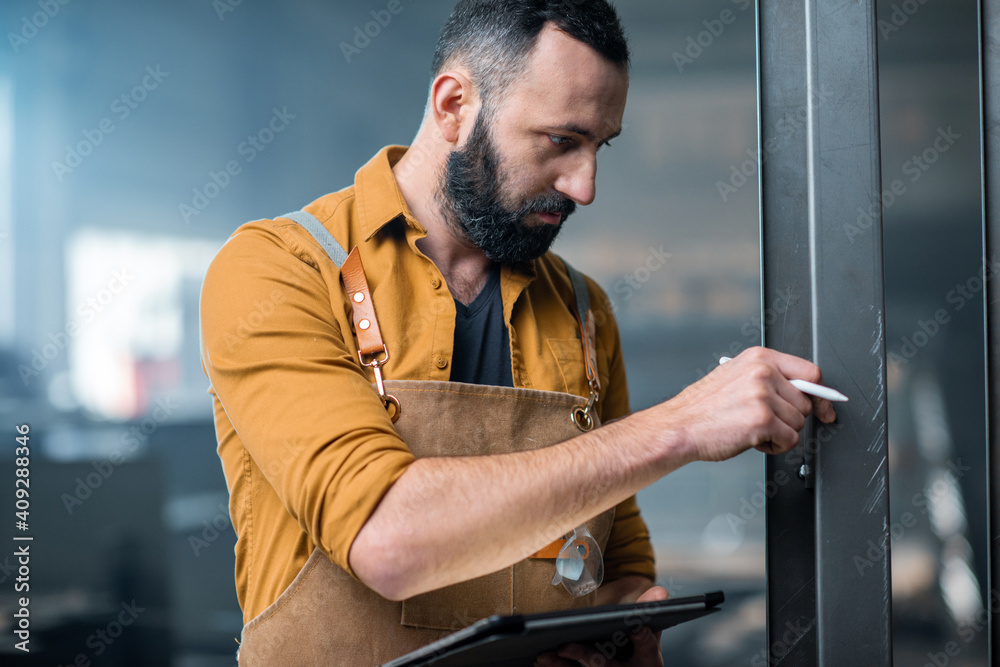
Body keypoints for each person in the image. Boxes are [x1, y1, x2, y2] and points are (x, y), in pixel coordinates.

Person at [199, 1, 837, 665]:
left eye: (599, 146)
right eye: (562, 141)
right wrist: (681, 424)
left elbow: (614, 559)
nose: (585, 186)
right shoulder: (279, 271)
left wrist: (617, 624)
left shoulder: (583, 311)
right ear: (453, 106)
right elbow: (389, 540)